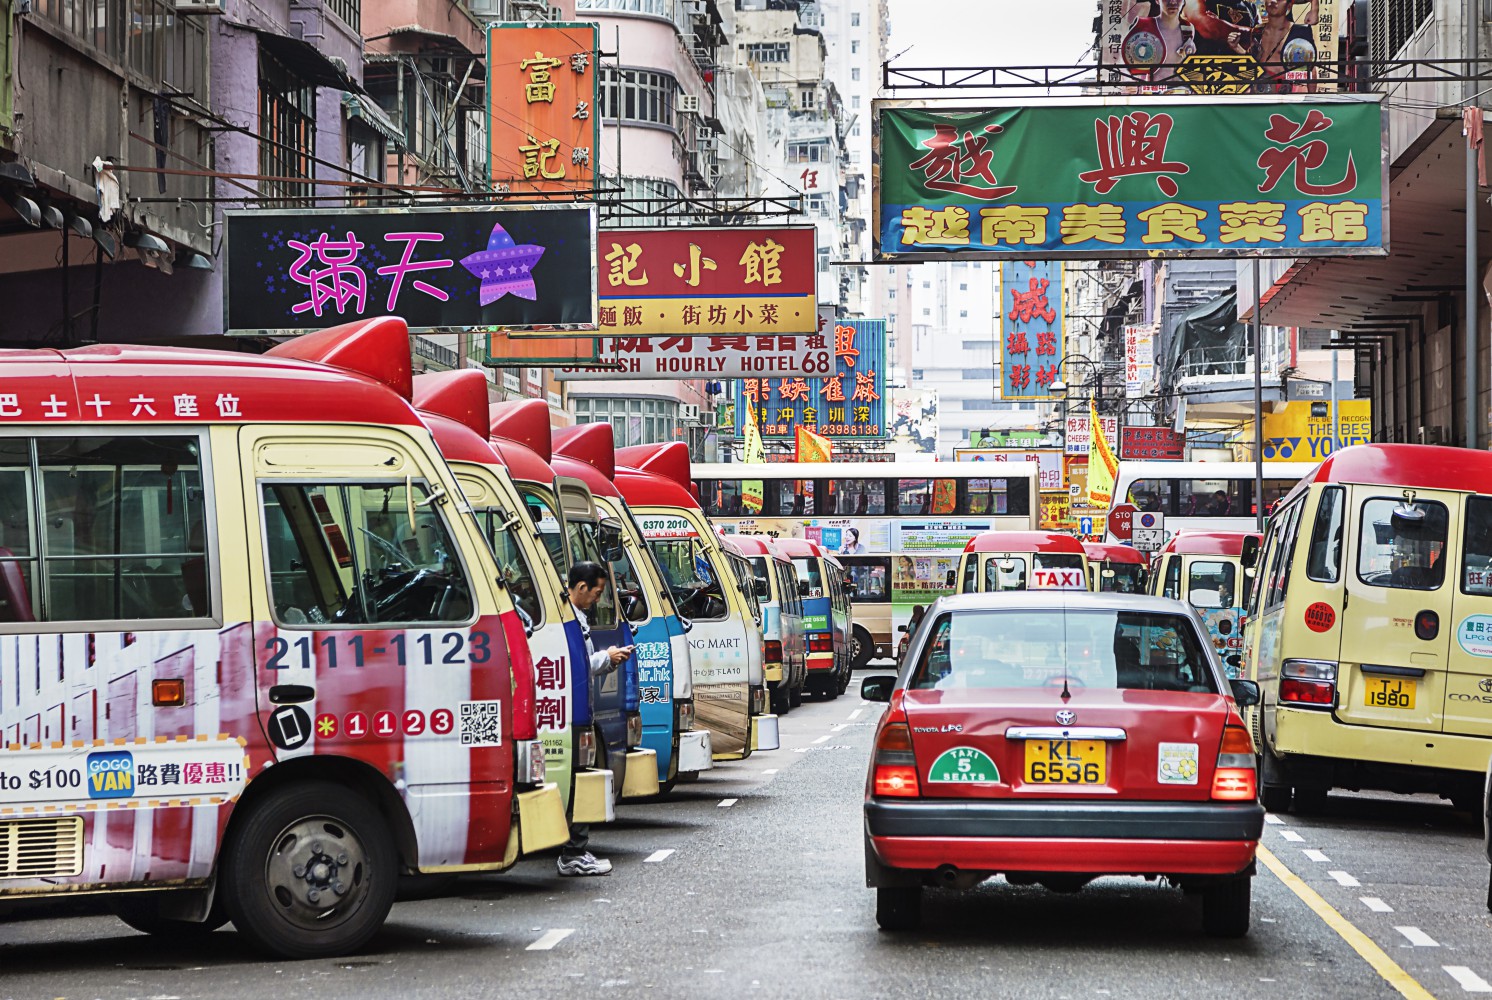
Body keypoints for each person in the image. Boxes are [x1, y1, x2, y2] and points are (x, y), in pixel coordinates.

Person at [557, 561, 634, 877]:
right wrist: (606, 657)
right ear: (581, 587)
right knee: (578, 779)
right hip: (571, 712)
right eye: (597, 592)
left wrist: (609, 659)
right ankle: (573, 853)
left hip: (580, 710)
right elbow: (572, 666)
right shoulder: (566, 621)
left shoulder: (577, 619)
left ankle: (575, 850)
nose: (598, 599)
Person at [1122, 0, 1195, 82]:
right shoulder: (1143, 25)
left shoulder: (1188, 28)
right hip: (1153, 87)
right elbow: (1126, 60)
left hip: (1181, 86)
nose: (1173, 2)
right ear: (1157, 1)